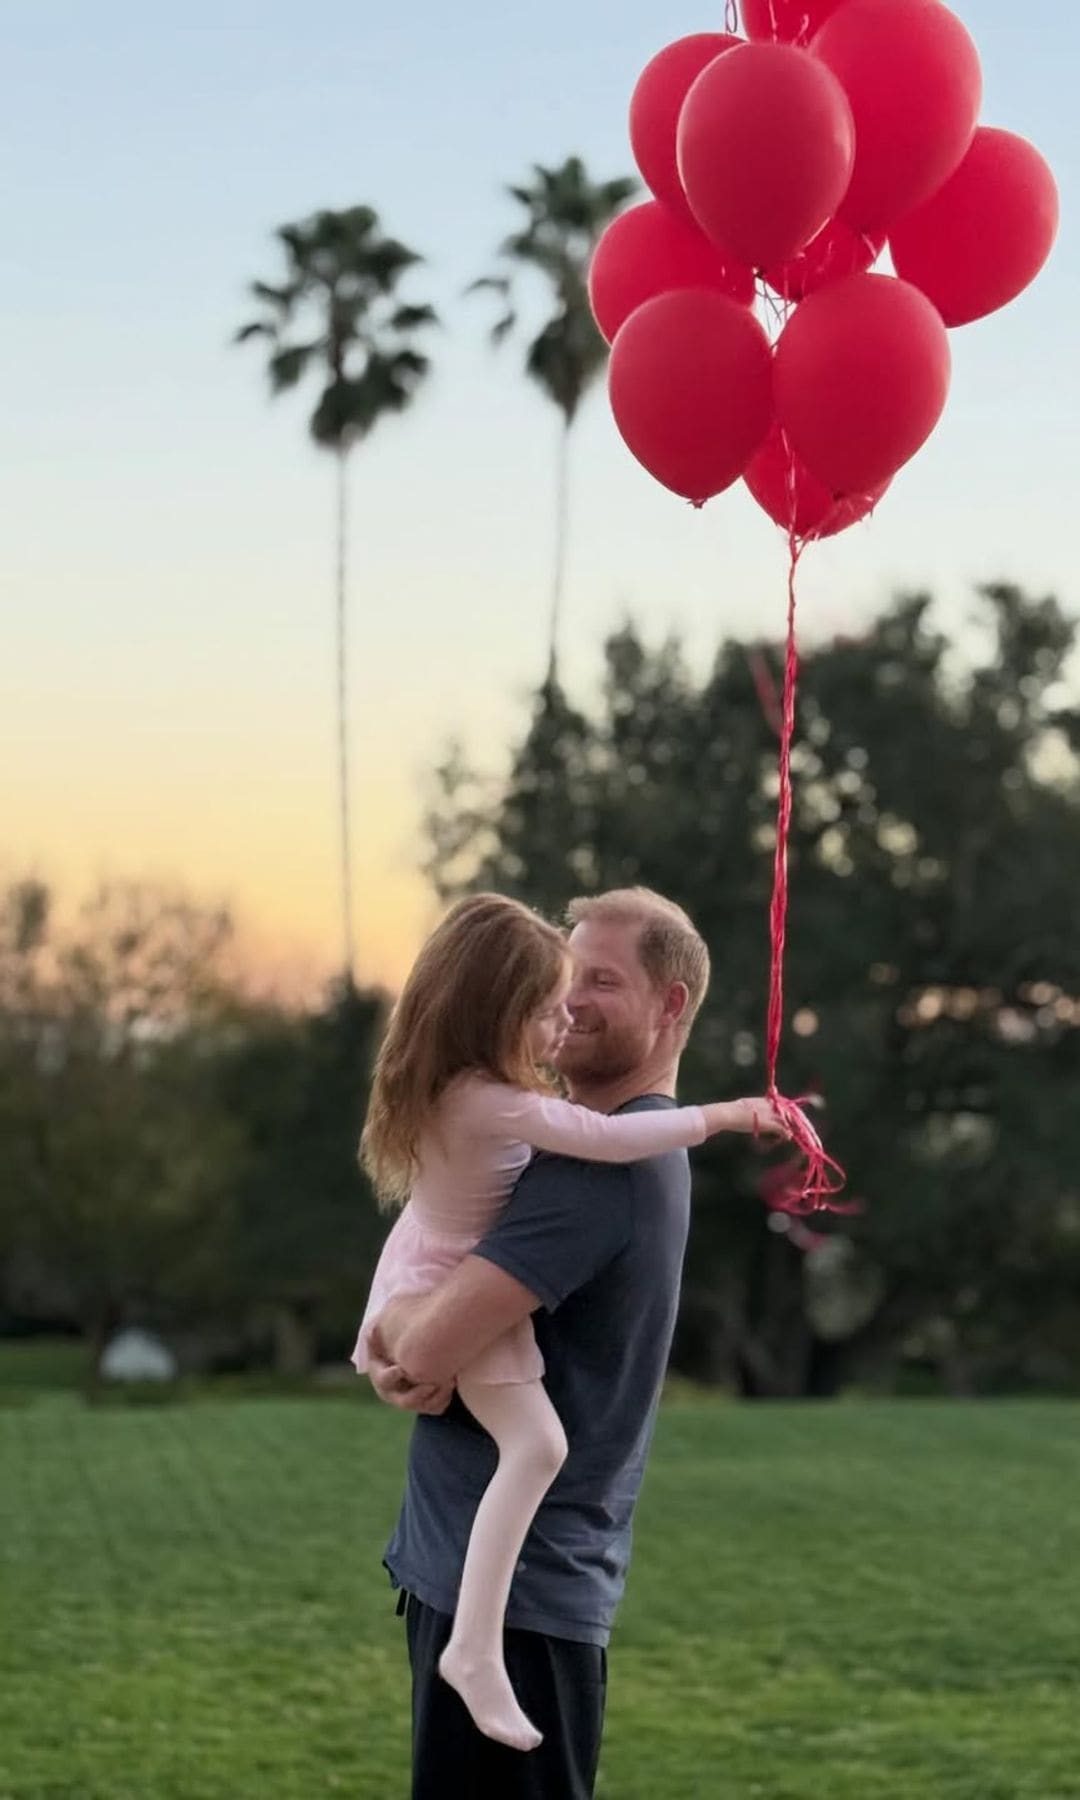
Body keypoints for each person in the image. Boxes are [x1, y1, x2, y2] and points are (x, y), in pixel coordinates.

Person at [364, 887, 762, 1797]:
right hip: (496, 1584)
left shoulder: (601, 1169)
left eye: (602, 982)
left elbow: (423, 1351)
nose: (570, 999)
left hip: (520, 1608)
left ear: (671, 1006)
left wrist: (392, 1333)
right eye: (564, 976)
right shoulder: (570, 1139)